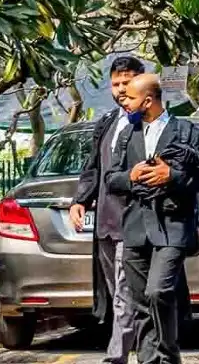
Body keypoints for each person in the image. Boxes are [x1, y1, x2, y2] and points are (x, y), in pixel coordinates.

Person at [106, 74, 199, 364]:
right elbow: (110, 180)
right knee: (141, 302)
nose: (123, 101)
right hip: (136, 228)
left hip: (173, 228)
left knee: (159, 291)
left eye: (129, 97)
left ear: (148, 100)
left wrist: (172, 176)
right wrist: (130, 176)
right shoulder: (127, 135)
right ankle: (149, 359)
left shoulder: (186, 131)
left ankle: (167, 353)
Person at [71, 56, 145, 364]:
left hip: (134, 222)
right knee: (118, 293)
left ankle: (116, 356)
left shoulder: (151, 124)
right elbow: (93, 168)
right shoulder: (106, 123)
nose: (120, 89)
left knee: (125, 294)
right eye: (115, 84)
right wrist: (80, 200)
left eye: (126, 82)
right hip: (105, 222)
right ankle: (142, 346)